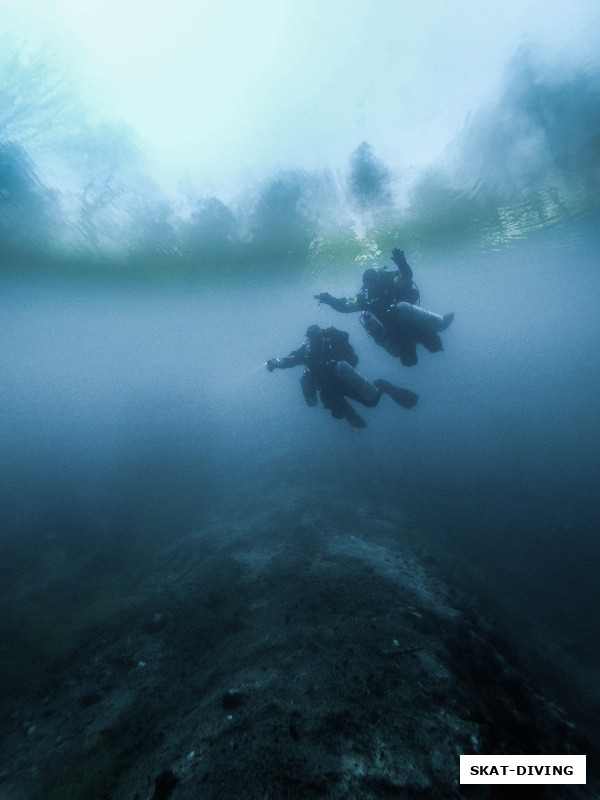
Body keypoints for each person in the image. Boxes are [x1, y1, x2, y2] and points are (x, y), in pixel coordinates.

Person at [315, 248, 454, 367]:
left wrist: (401, 262)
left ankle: (437, 327)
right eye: (369, 285)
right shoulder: (366, 298)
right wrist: (328, 299)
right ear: (366, 285)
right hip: (395, 331)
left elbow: (405, 277)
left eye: (374, 282)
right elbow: (344, 305)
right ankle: (435, 328)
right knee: (410, 361)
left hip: (409, 321)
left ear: (378, 279)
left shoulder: (389, 283)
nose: (373, 287)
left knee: (435, 345)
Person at [266, 324, 418, 428]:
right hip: (328, 389)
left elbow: (345, 339)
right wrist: (276, 362)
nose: (313, 340)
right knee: (339, 412)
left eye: (315, 336)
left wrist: (332, 331)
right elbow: (290, 360)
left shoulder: (330, 341)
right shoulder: (306, 350)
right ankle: (351, 415)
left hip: (344, 381)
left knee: (371, 402)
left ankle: (382, 386)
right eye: (311, 337)